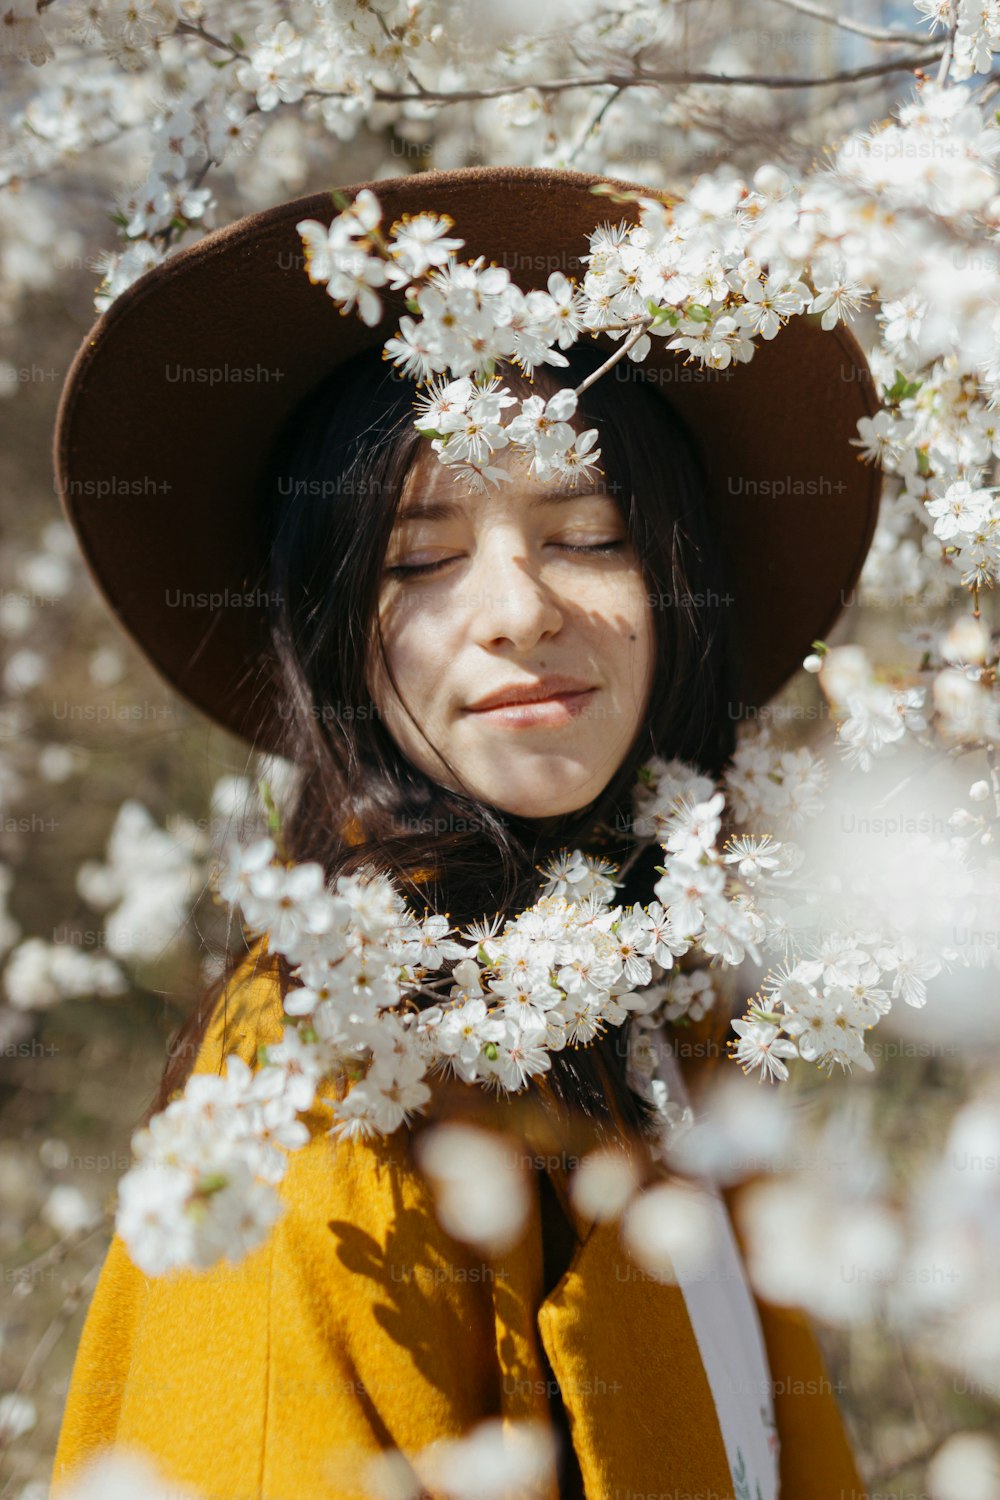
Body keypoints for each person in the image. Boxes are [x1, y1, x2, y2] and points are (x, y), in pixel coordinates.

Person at [47, 165, 880, 1500]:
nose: (516, 612)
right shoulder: (337, 1071)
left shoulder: (667, 1009)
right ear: (335, 635)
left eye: (589, 534)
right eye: (420, 561)